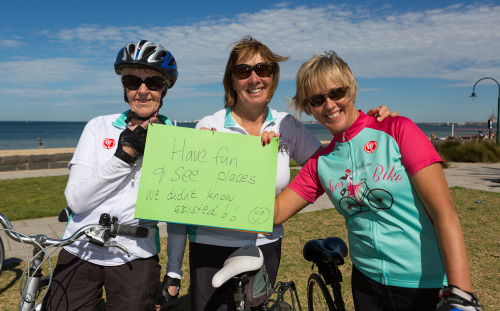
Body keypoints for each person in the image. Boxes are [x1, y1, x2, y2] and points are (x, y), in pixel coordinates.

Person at [157, 36, 397, 311]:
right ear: (231, 79)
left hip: (266, 244)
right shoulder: (209, 125)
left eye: (263, 70)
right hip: (211, 245)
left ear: (273, 76)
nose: (254, 78)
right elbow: (183, 197)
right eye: (243, 71)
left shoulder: (287, 124)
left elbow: (329, 160)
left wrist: (368, 123)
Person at [272, 51, 482, 311]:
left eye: (337, 93)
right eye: (317, 99)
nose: (329, 105)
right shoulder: (321, 162)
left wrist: (461, 293)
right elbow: (276, 211)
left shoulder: (397, 129)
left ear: (351, 91)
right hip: (367, 286)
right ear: (308, 108)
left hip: (424, 284)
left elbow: (444, 213)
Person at [42, 40, 178, 311]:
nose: (142, 91)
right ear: (124, 87)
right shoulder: (97, 126)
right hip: (80, 248)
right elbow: (77, 202)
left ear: (164, 89)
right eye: (131, 81)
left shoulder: (176, 140)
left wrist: (175, 271)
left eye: (152, 82)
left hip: (135, 256)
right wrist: (124, 156)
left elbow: (181, 215)